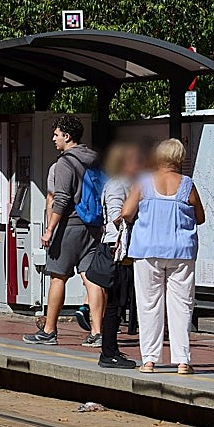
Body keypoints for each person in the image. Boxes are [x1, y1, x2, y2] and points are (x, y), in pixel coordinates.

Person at [121, 138, 205, 374]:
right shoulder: (188, 184)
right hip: (181, 252)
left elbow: (127, 213)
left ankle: (149, 360)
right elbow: (200, 217)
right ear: (179, 159)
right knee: (182, 306)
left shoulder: (143, 182)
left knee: (149, 305)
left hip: (147, 251)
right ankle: (182, 361)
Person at [23, 116, 105, 345]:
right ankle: (97, 332)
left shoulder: (65, 163)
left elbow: (60, 198)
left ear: (67, 136)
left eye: (57, 134)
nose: (53, 139)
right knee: (91, 278)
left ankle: (49, 330)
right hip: (94, 226)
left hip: (70, 225)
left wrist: (50, 229)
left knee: (58, 277)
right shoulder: (95, 159)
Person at [97, 142, 142, 368]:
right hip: (116, 250)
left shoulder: (128, 183)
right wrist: (135, 211)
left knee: (119, 303)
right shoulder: (118, 185)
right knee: (115, 303)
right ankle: (108, 352)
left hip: (123, 249)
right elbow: (117, 216)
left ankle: (112, 349)